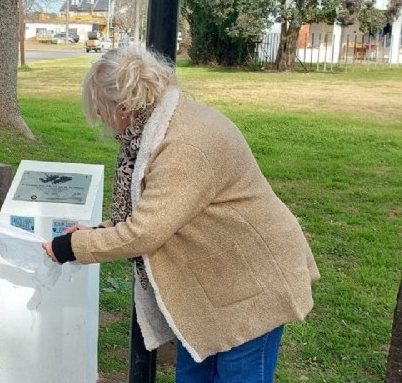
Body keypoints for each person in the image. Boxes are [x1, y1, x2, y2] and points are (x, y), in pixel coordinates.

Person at [43, 47, 320, 383]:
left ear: (125, 106)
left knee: (238, 375)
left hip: (252, 279)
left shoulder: (183, 145)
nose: (101, 118)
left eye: (101, 109)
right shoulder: (155, 128)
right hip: (216, 279)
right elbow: (153, 212)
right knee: (192, 375)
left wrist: (71, 248)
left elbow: (146, 232)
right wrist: (95, 232)